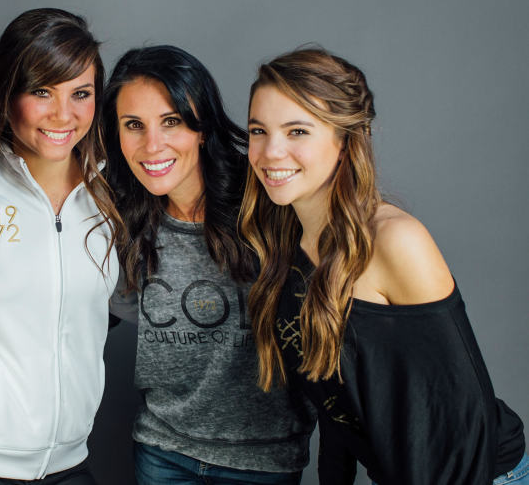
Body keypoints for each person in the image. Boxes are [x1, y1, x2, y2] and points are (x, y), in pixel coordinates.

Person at [240, 47, 527, 484]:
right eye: (258, 130)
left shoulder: (394, 241)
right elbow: (336, 401)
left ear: (345, 141)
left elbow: (461, 422)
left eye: (297, 131)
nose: (270, 151)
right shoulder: (289, 245)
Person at [104, 45, 316, 485]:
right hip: (162, 453)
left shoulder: (269, 203)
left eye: (171, 121)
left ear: (202, 128)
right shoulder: (120, 218)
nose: (152, 144)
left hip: (262, 462)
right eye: (133, 125)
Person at [0, 9, 120, 485]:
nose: (63, 114)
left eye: (81, 94)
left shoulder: (111, 193)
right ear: (8, 94)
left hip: (71, 464)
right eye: (42, 92)